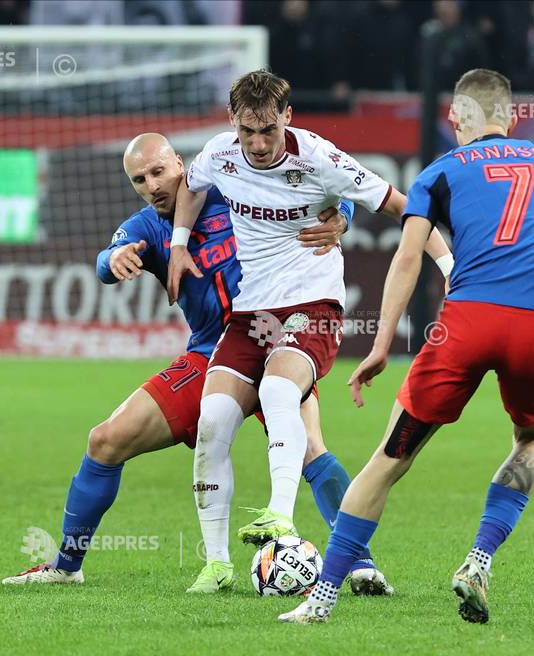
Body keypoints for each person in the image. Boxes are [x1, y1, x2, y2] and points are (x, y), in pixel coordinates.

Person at [279, 68, 534, 624]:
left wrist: (382, 344)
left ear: (455, 118)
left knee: (389, 460)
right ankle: (478, 559)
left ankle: (322, 600)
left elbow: (408, 258)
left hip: (465, 326)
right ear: (514, 117)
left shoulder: (438, 173)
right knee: (531, 439)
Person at [2, 133, 392, 595]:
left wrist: (340, 217)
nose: (152, 185)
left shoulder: (234, 192)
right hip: (210, 355)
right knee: (105, 441)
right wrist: (114, 259)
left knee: (311, 451)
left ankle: (360, 566)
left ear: (181, 165)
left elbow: (317, 192)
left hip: (274, 341)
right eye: (139, 179)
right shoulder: (148, 228)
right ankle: (67, 564)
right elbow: (105, 261)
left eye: (159, 172)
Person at [166, 70, 454, 593]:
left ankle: (279, 516)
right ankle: (216, 564)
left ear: (288, 118)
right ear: (233, 121)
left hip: (313, 302)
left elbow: (399, 204)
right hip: (251, 312)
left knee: (279, 390)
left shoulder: (320, 157)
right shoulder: (219, 153)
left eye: (268, 131)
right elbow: (191, 185)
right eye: (247, 131)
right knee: (212, 422)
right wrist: (179, 244)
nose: (256, 144)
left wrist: (449, 264)